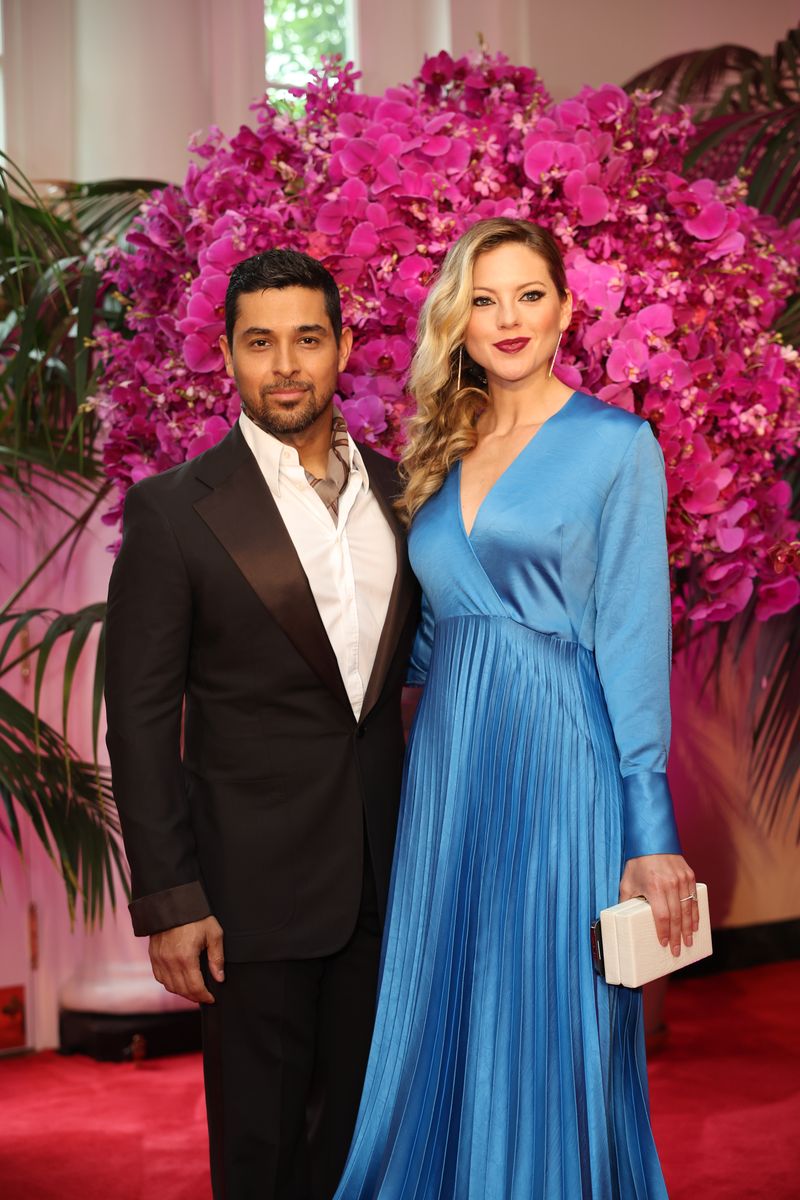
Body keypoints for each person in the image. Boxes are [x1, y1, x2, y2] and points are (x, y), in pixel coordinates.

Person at [333, 218, 698, 1199]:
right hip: (449, 763)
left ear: (564, 308)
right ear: (458, 317)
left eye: (528, 294)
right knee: (442, 1010)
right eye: (484, 298)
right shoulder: (435, 454)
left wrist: (646, 827)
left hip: (558, 752)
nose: (507, 318)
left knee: (548, 1007)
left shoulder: (614, 447)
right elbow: (419, 636)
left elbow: (628, 639)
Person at [104, 249, 418, 1200]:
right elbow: (141, 720)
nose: (286, 364)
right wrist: (170, 899)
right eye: (260, 342)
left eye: (308, 340)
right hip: (246, 900)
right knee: (263, 1154)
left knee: (366, 1146)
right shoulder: (173, 511)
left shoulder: (404, 493)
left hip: (387, 879)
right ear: (228, 357)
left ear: (344, 349)